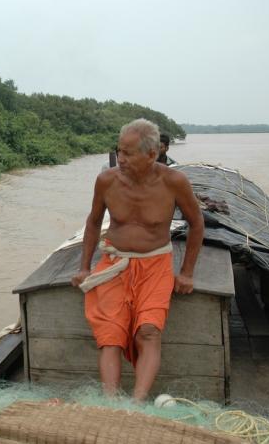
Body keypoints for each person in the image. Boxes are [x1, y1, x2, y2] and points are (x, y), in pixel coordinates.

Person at [71, 118, 203, 402]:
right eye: (119, 151)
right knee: (110, 337)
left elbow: (197, 223)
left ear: (152, 154)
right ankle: (111, 402)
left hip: (155, 265)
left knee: (148, 331)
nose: (121, 159)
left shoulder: (174, 182)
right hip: (114, 264)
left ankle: (137, 403)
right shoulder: (107, 180)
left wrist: (187, 272)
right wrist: (84, 267)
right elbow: (94, 223)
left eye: (128, 153)